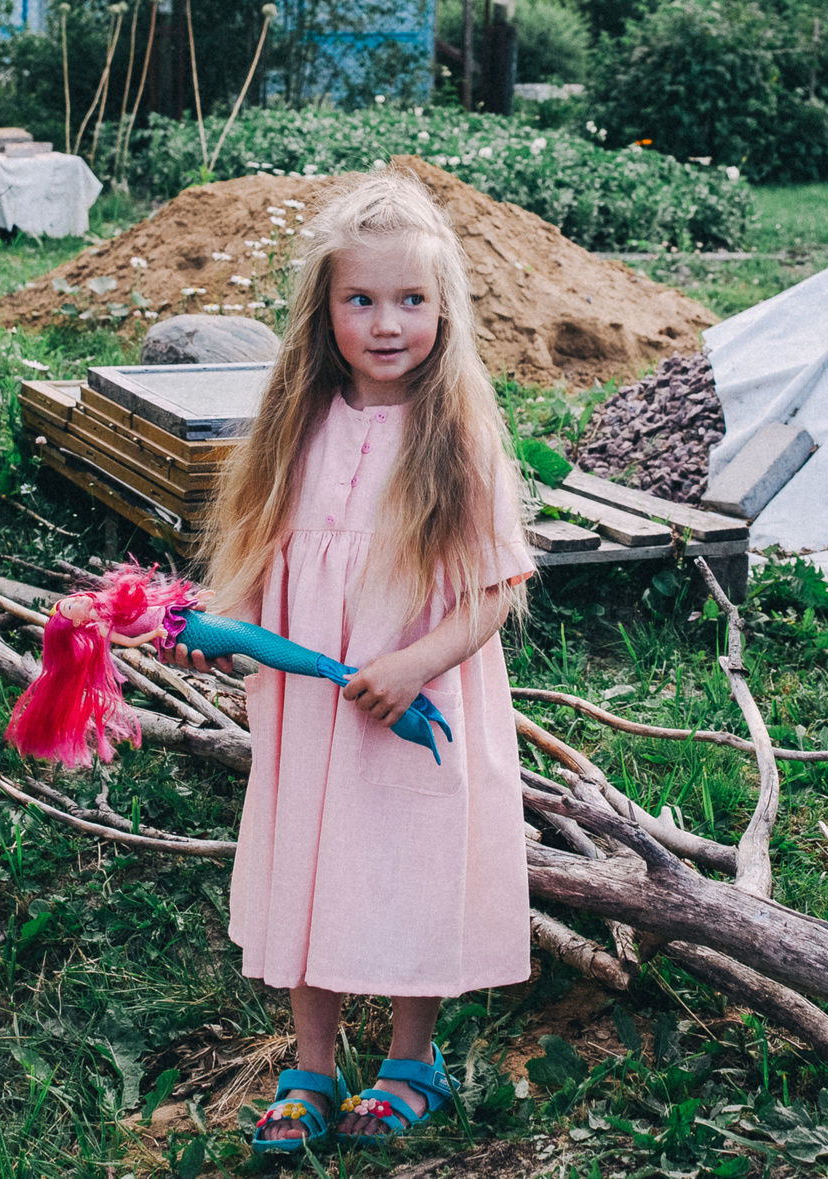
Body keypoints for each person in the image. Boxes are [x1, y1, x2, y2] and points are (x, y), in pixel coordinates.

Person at [169, 169, 534, 1155]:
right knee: (312, 862)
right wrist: (222, 625)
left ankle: (412, 1060)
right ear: (323, 309)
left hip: (412, 707)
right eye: (360, 299)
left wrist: (417, 661)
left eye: (411, 300)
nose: (385, 322)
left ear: (443, 309)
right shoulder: (297, 426)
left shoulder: (458, 439)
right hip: (312, 714)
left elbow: (497, 588)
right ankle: (311, 1064)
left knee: (411, 868)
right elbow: (260, 550)